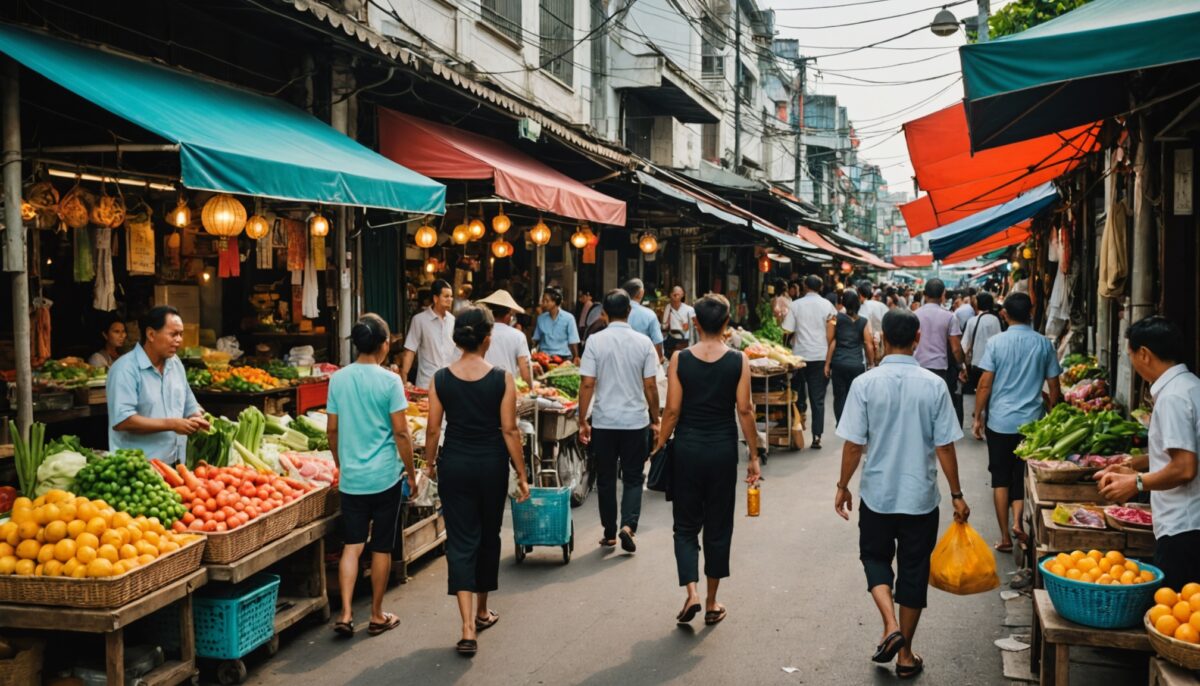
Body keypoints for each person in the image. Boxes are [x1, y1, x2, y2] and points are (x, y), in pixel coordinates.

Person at [835, 308, 969, 679]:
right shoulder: (933, 384)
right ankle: (905, 654)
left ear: (881, 340)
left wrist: (842, 486)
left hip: (878, 494)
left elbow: (852, 445)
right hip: (920, 498)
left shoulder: (866, 384)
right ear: (918, 340)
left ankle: (890, 624)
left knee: (875, 559)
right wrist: (956, 493)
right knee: (914, 570)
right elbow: (945, 446)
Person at [423, 306, 531, 657]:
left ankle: (468, 626)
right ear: (488, 338)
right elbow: (510, 430)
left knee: (461, 540)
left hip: (454, 465)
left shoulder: (439, 378)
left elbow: (434, 429)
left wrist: (429, 465)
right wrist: (522, 473)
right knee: (488, 536)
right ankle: (482, 611)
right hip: (491, 466)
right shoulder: (502, 378)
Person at [655, 294, 760, 627]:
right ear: (727, 324)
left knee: (685, 526)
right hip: (722, 452)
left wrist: (659, 444)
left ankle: (692, 593)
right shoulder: (738, 360)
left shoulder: (679, 359)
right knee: (717, 526)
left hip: (687, 449)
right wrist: (753, 455)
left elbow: (671, 410)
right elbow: (744, 410)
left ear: (694, 323)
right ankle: (713, 602)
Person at [327, 314, 417, 638]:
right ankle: (377, 615)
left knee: (352, 545)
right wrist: (411, 473)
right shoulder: (390, 381)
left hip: (353, 479)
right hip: (384, 478)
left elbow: (332, 430)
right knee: (380, 547)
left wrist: (341, 463)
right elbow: (402, 434)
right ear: (383, 345)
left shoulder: (338, 379)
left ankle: (347, 613)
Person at [1096, 317, 1200, 589]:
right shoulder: (1190, 386)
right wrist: (1134, 464)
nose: (1131, 361)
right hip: (1188, 524)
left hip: (1183, 528)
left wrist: (1136, 482)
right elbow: (1180, 451)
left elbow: (1185, 467)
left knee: (1178, 613)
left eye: (1129, 354)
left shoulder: (1173, 398)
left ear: (1144, 353)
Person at [971, 293, 1062, 552]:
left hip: (1000, 422)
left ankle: (1004, 537)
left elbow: (985, 383)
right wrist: (1053, 416)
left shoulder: (996, 343)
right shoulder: (1044, 344)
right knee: (1021, 475)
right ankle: (1019, 521)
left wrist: (977, 417)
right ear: (1031, 312)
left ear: (1005, 315)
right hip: (1032, 424)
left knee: (1000, 478)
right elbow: (1054, 386)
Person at [578, 289, 660, 552]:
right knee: (634, 477)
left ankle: (610, 533)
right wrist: (655, 419)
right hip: (635, 422)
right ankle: (629, 526)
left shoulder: (595, 342)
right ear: (629, 311)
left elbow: (587, 383)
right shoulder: (644, 343)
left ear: (604, 313)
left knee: (605, 478)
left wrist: (582, 419)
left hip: (604, 421)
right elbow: (650, 386)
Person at [107, 306, 208, 464]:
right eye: (173, 334)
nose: (179, 340)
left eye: (181, 334)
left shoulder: (175, 364)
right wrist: (172, 424)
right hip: (138, 469)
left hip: (177, 464)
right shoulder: (125, 369)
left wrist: (196, 416)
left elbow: (189, 403)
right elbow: (123, 420)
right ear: (151, 334)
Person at [782, 275, 837, 449]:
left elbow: (787, 329)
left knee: (796, 394)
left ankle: (798, 428)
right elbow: (832, 333)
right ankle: (817, 437)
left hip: (799, 357)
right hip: (820, 356)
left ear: (805, 286)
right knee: (817, 398)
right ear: (820, 287)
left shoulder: (796, 305)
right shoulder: (828, 306)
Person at [914, 278, 965, 425]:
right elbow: (956, 348)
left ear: (924, 293)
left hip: (918, 367)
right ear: (943, 294)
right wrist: (961, 366)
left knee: (920, 408)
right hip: (940, 370)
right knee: (939, 409)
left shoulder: (915, 314)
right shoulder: (950, 316)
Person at [826, 291, 876, 425]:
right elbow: (868, 344)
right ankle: (852, 423)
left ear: (843, 303)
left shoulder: (835, 318)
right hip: (857, 364)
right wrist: (871, 363)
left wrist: (827, 364)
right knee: (854, 396)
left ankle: (841, 423)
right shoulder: (864, 321)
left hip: (839, 363)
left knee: (839, 396)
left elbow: (831, 340)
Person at [401, 279, 457, 389]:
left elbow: (458, 350)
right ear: (436, 298)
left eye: (451, 296)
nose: (450, 299)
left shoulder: (453, 320)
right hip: (427, 383)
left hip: (450, 382)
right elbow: (410, 350)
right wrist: (404, 377)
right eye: (446, 296)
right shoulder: (419, 320)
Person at [476, 289, 534, 389]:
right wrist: (531, 390)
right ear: (508, 315)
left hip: (482, 389)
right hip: (509, 389)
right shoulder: (518, 336)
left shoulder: (479, 333)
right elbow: (525, 371)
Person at [961, 292, 1003, 394]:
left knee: (978, 392)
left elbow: (964, 345)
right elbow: (1000, 343)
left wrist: (964, 366)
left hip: (975, 364)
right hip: (992, 365)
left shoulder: (972, 321)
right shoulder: (995, 320)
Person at [532, 287, 580, 363]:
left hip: (564, 358)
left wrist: (576, 357)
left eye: (546, 301)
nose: (543, 303)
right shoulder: (540, 318)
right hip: (544, 358)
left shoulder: (569, 318)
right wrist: (532, 352)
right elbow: (536, 339)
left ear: (556, 302)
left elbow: (573, 341)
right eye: (543, 300)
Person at [623, 278, 665, 360]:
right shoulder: (649, 314)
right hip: (642, 360)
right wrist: (660, 358)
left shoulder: (616, 311)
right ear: (641, 293)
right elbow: (658, 341)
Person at [858, 281, 888, 365]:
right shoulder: (881, 305)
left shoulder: (862, 307)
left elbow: (867, 330)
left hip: (867, 346)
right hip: (882, 344)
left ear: (860, 294)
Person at [661, 286, 696, 359]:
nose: (676, 296)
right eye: (674, 294)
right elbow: (664, 326)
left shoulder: (689, 310)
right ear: (670, 295)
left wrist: (687, 327)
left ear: (682, 295)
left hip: (685, 340)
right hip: (672, 339)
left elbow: (693, 328)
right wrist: (667, 323)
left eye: (678, 294)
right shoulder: (668, 307)